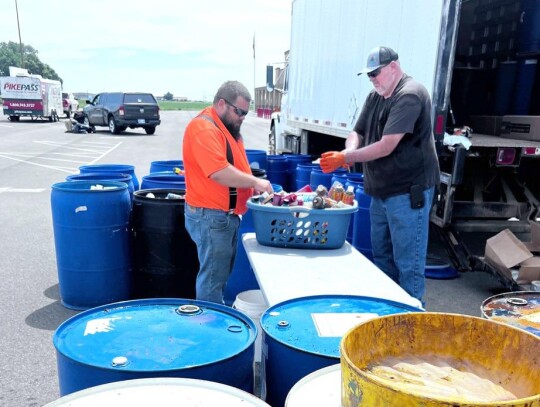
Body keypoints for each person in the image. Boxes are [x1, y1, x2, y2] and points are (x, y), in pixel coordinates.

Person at [320, 46, 440, 303]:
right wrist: (348, 149)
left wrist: (346, 158)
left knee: (408, 265)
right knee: (383, 261)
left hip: (408, 193)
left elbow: (387, 145)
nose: (372, 79)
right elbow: (358, 131)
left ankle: (411, 326)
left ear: (394, 67)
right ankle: (388, 320)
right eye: (369, 75)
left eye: (376, 73)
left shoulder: (410, 95)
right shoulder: (375, 96)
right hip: (380, 192)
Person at [183, 80, 273, 304]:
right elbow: (219, 172)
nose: (242, 117)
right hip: (211, 216)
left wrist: (249, 183)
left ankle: (213, 316)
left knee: (219, 275)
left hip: (223, 216)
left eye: (245, 113)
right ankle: (209, 326)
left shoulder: (226, 128)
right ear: (222, 104)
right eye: (239, 112)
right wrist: (255, 182)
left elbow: (232, 163)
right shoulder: (203, 128)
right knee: (212, 279)